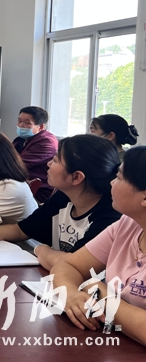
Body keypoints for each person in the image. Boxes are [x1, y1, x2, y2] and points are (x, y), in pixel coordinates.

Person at [0, 134, 122, 271]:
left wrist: (41, 250)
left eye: (55, 160)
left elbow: (74, 265)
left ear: (76, 177)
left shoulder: (111, 216)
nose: (49, 164)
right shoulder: (63, 198)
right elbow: (21, 229)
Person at [51, 147, 146, 345]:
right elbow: (69, 265)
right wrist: (71, 294)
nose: (111, 183)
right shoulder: (127, 224)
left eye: (119, 177)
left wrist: (96, 289)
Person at [12, 106, 58, 203]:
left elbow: (16, 164)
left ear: (40, 127)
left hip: (38, 193)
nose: (21, 125)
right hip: (19, 184)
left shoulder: (46, 142)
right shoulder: (21, 139)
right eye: (19, 121)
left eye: (27, 123)